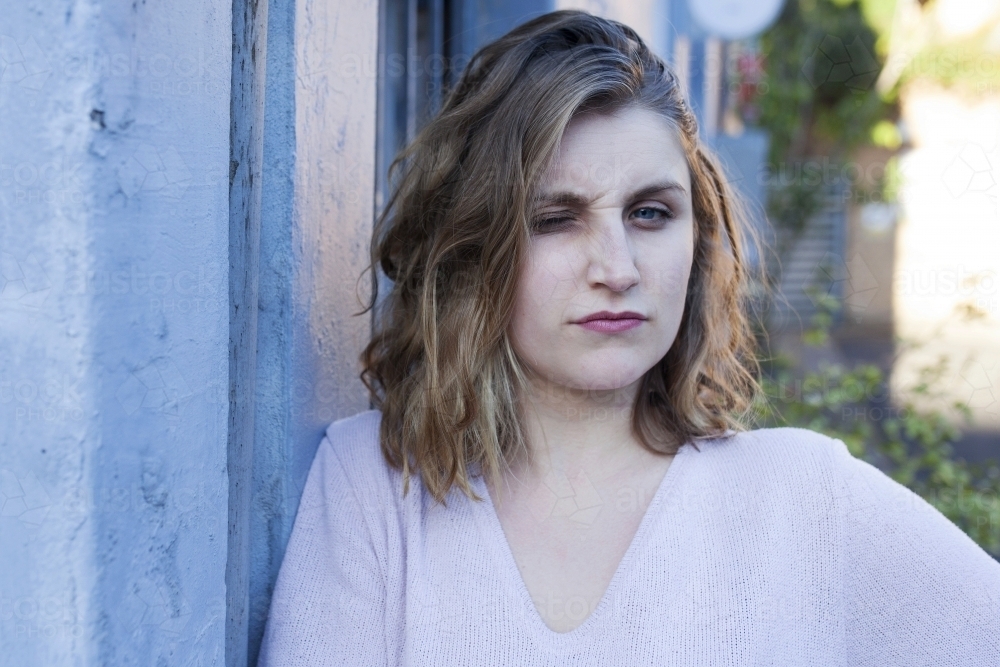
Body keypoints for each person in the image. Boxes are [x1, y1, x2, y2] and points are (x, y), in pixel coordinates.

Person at [257, 10, 1000, 666]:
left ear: (697, 239)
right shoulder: (374, 487)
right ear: (473, 249)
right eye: (555, 219)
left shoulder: (804, 500)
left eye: (650, 214)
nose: (616, 269)